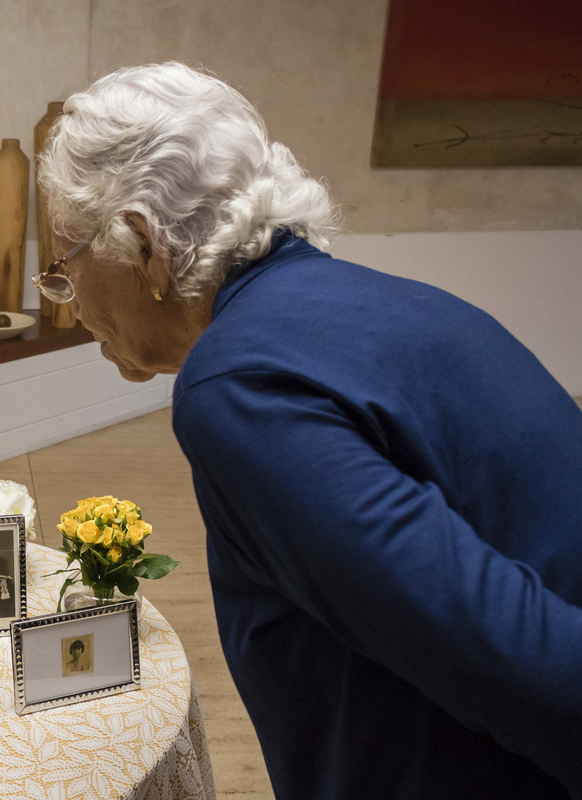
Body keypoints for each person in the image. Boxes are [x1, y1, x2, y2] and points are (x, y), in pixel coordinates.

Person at [36, 61, 582, 800]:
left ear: (144, 245)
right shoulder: (381, 297)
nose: (68, 305)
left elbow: (516, 658)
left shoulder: (235, 386)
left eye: (62, 268)